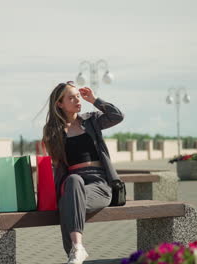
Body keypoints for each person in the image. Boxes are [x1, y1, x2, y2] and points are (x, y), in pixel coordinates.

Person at [42, 81, 124, 264]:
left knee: (68, 205)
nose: (77, 100)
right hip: (73, 184)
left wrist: (94, 100)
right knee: (73, 181)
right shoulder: (52, 131)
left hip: (98, 183)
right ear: (59, 104)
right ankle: (78, 247)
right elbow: (55, 165)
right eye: (71, 97)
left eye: (78, 96)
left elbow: (117, 116)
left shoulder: (92, 121)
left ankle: (74, 253)